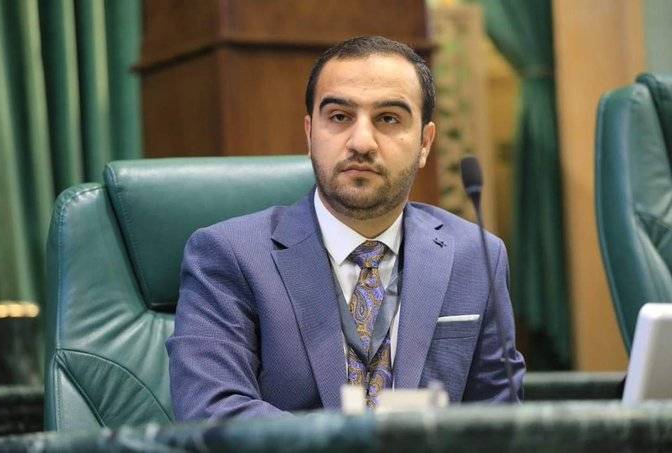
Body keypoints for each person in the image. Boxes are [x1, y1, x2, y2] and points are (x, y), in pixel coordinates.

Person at [167, 36, 525, 420]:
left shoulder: (475, 256)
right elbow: (213, 411)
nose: (362, 142)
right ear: (310, 134)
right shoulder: (229, 256)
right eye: (340, 117)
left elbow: (500, 419)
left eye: (388, 119)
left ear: (425, 143)